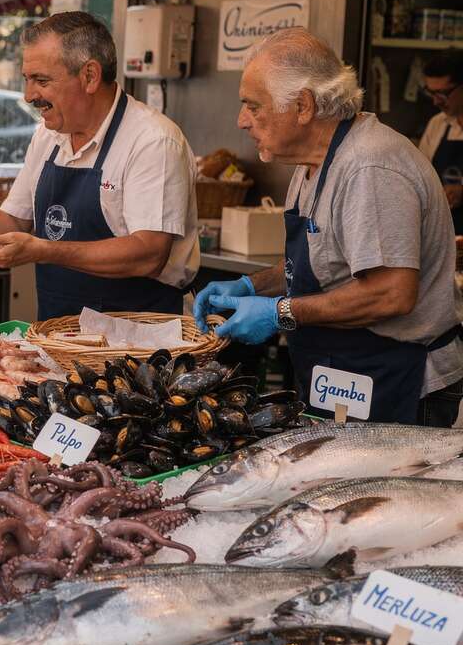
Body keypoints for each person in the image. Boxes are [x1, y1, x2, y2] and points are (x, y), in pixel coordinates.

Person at [195, 28, 463, 427]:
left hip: (397, 375)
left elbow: (392, 293)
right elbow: (318, 270)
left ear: (303, 106)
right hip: (343, 372)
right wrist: (253, 286)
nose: (242, 121)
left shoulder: (370, 167)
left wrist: (280, 312)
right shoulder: (311, 163)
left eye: (253, 106)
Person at [0, 13, 198, 320]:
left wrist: (44, 250)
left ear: (89, 76)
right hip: (59, 331)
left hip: (141, 339)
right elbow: (16, 218)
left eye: (42, 80)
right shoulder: (48, 135)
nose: (28, 95)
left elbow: (148, 254)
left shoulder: (153, 141)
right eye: (26, 79)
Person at [418, 51, 463, 234]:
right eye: (431, 93)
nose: (436, 101)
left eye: (443, 93)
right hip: (441, 233)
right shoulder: (438, 124)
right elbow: (419, 176)